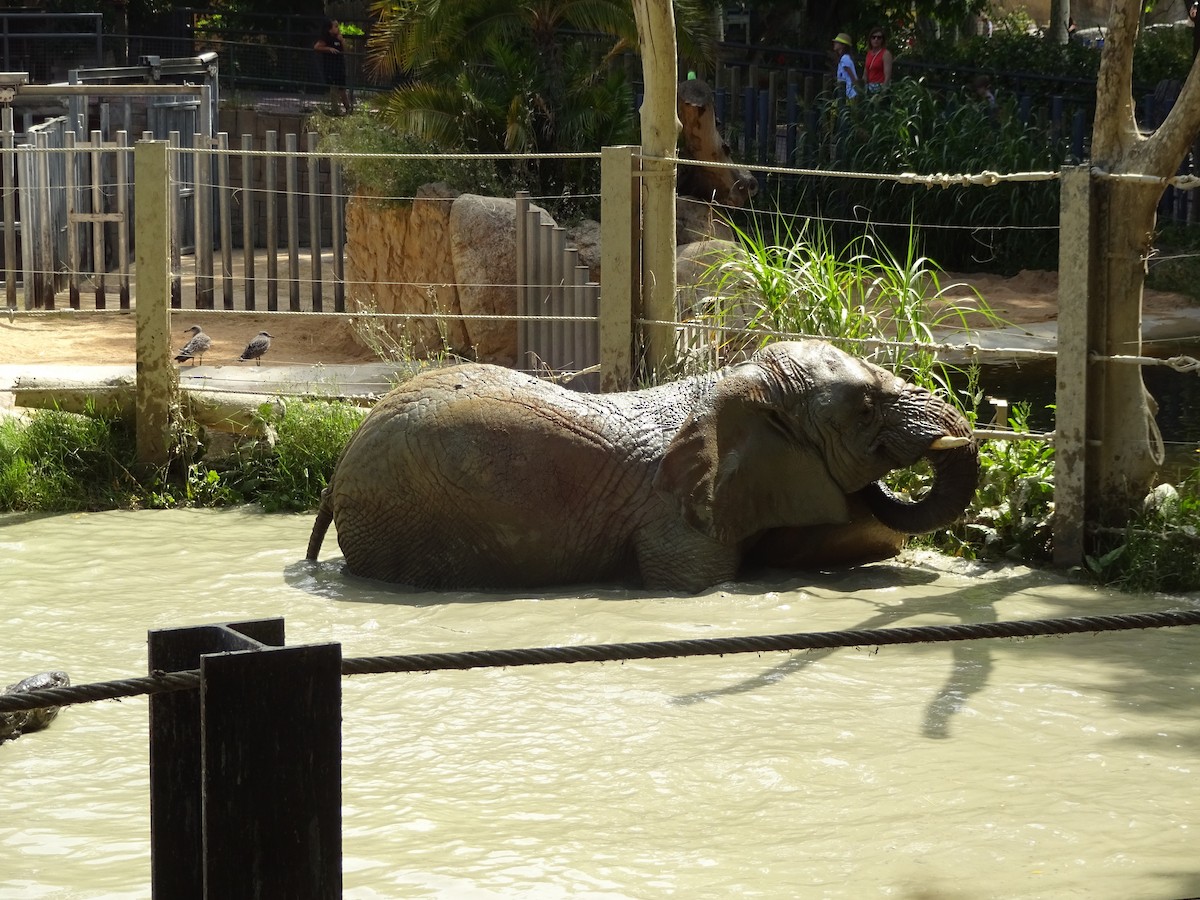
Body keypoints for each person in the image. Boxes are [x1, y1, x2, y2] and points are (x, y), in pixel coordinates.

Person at [315, 19, 351, 115]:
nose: (337, 28)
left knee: (342, 89)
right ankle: (335, 110)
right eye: (335, 27)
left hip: (340, 67)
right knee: (333, 89)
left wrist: (342, 40)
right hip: (331, 67)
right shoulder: (326, 39)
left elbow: (345, 50)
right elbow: (317, 47)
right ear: (329, 29)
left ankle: (348, 108)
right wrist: (328, 49)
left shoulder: (338, 38)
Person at [863, 27, 893, 94]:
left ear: (882, 40)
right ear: (870, 39)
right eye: (873, 37)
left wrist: (883, 91)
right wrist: (863, 88)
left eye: (879, 38)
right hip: (869, 87)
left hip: (880, 87)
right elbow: (865, 73)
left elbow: (887, 75)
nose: (876, 39)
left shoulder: (886, 54)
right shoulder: (869, 53)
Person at [832, 33, 859, 101]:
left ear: (843, 45)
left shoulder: (845, 58)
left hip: (849, 92)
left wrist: (857, 88)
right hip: (845, 91)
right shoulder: (844, 58)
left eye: (837, 42)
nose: (834, 43)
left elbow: (852, 76)